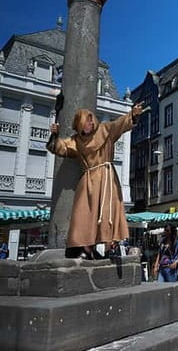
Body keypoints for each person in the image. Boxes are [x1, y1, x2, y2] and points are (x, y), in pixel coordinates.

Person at [47, 102, 144, 259]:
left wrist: (133, 114)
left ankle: (104, 246)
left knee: (105, 214)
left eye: (92, 120)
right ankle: (83, 246)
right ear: (79, 124)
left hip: (107, 178)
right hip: (88, 180)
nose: (91, 123)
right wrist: (55, 135)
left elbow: (119, 124)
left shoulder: (105, 129)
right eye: (87, 121)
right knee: (83, 214)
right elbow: (60, 148)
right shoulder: (76, 141)